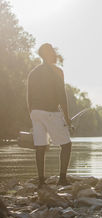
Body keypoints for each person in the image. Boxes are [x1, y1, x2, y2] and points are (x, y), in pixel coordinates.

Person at [27, 43, 72, 188]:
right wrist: (67, 117)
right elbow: (62, 96)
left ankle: (41, 181)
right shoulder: (57, 71)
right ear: (49, 54)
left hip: (35, 113)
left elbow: (29, 96)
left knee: (40, 146)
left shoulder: (33, 72)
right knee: (66, 145)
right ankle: (62, 179)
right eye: (52, 51)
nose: (54, 53)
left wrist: (32, 114)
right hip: (50, 112)